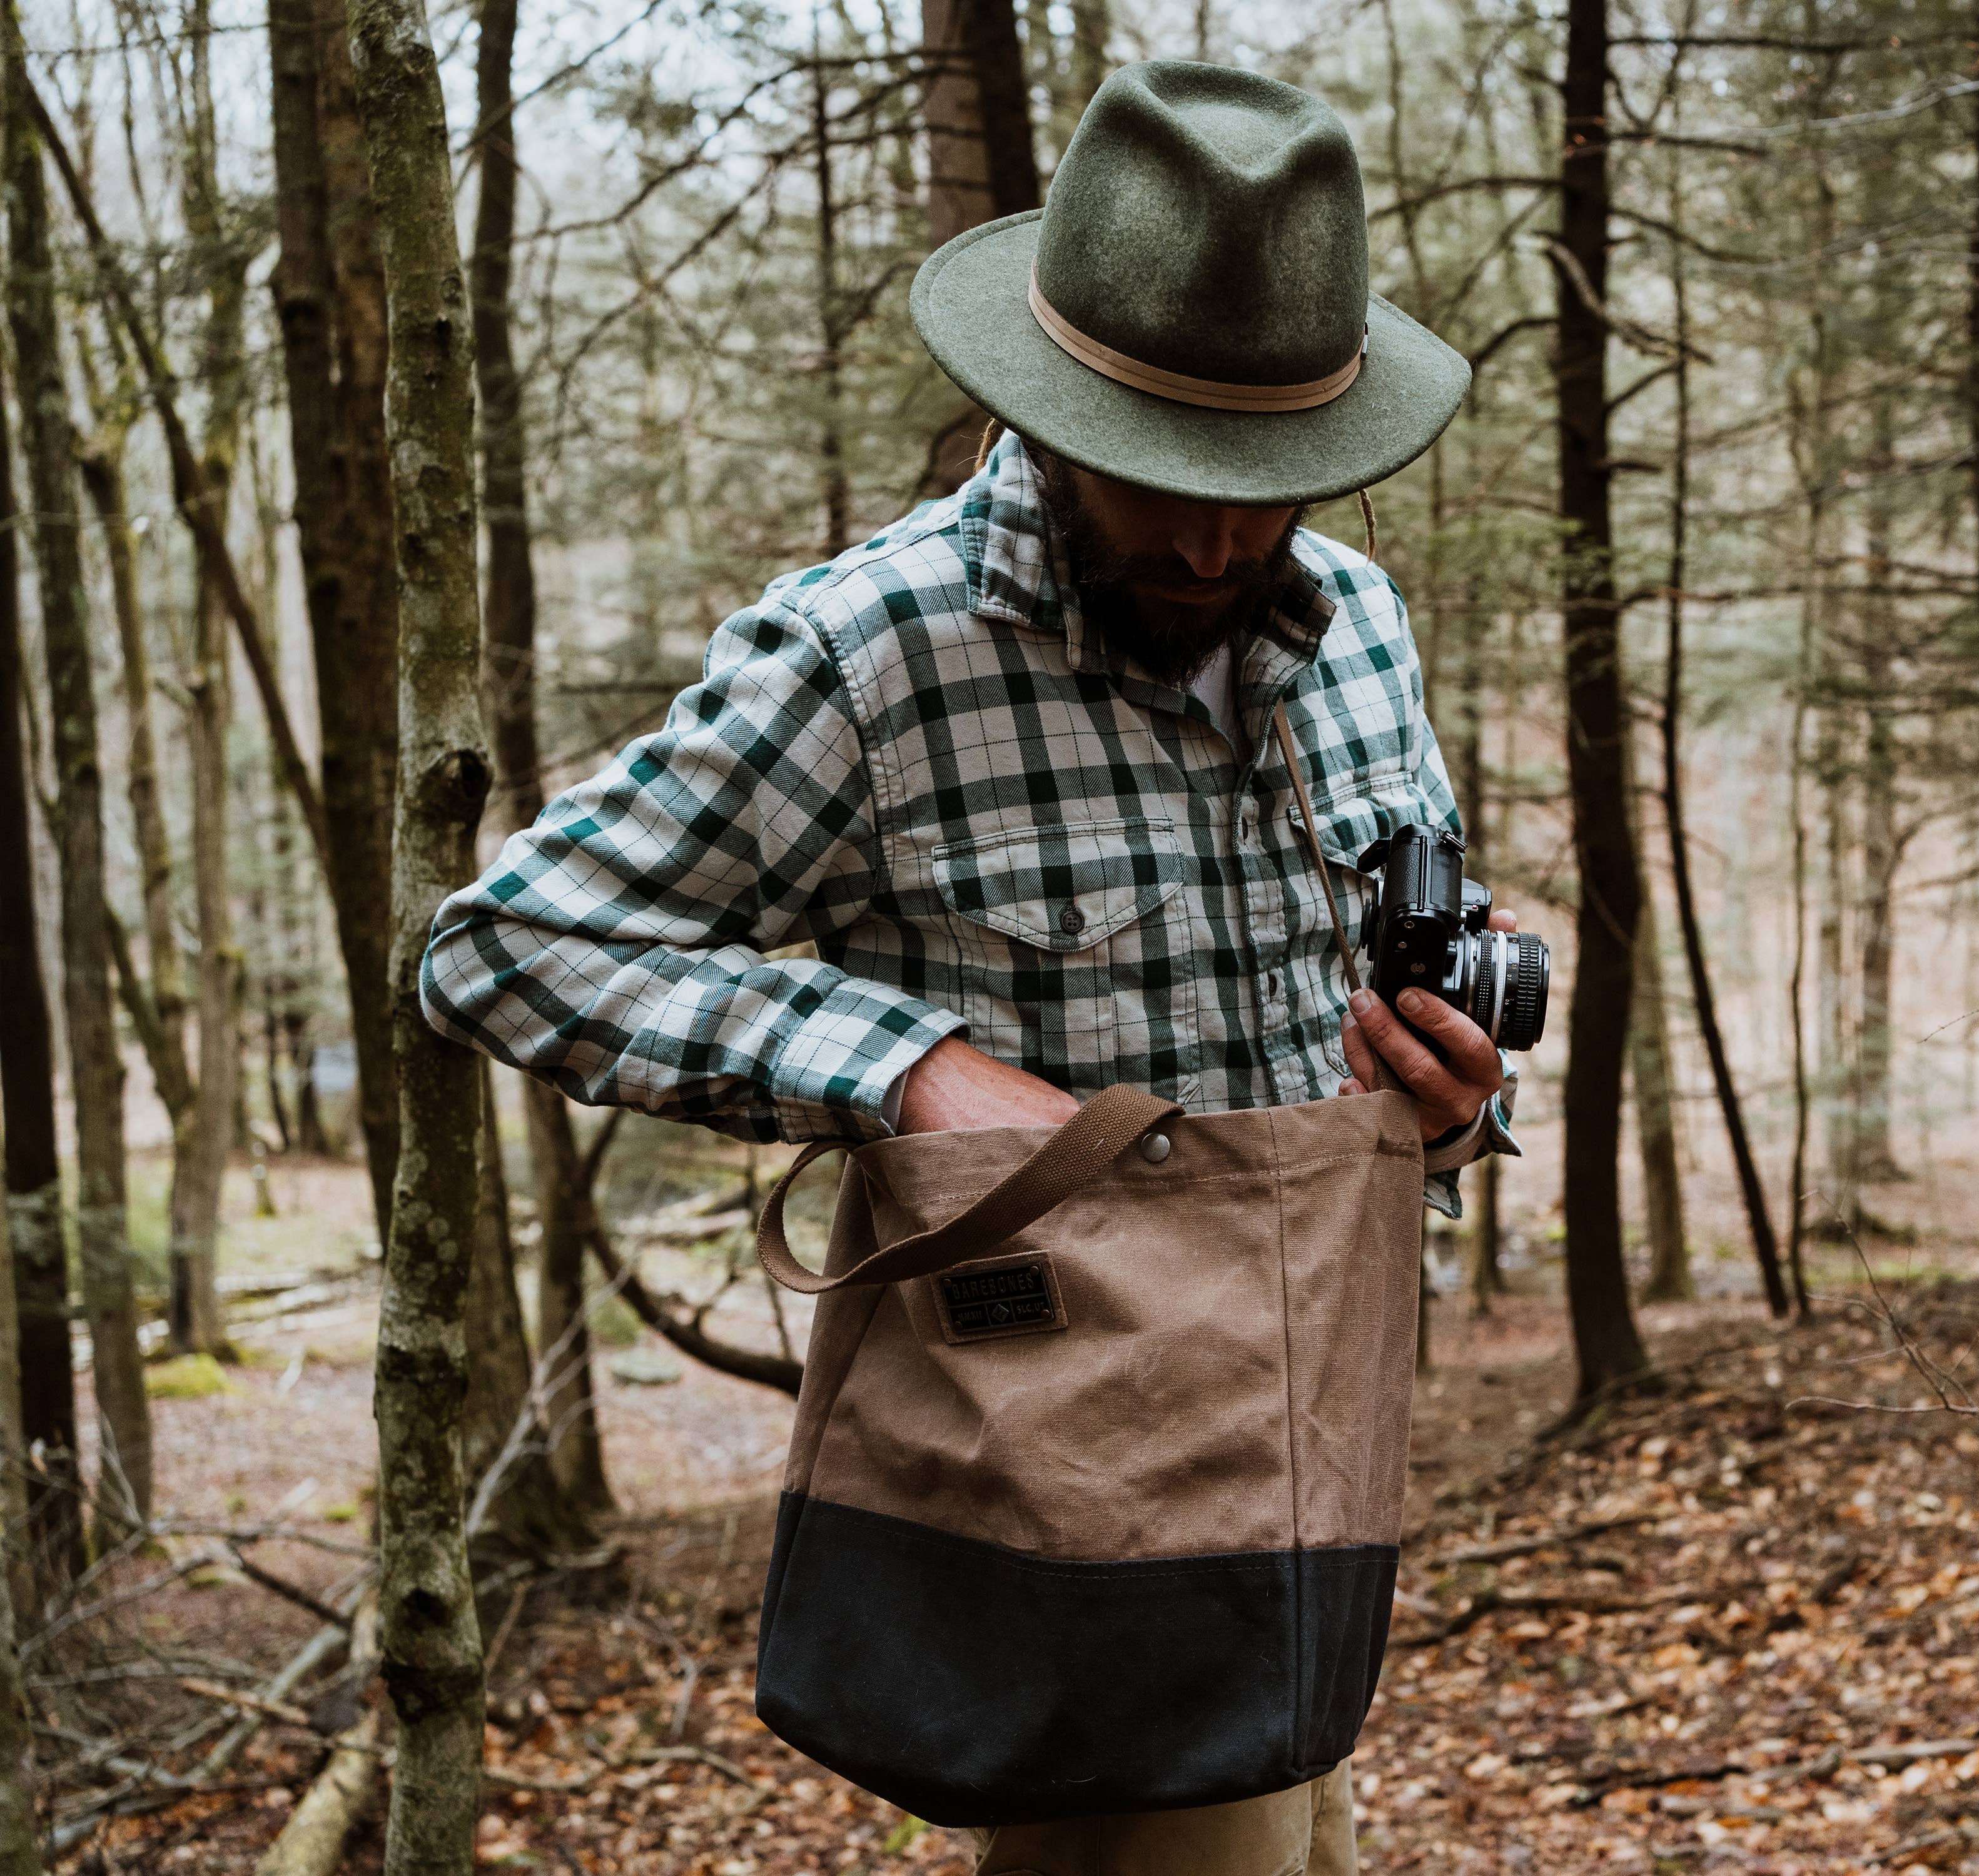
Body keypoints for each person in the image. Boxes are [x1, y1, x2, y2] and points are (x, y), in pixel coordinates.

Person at [421, 58, 1514, 1876]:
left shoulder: (1362, 631)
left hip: (1316, 1486)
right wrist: (905, 1067)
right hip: (1069, 1496)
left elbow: (1413, 1003)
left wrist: (1451, 1099)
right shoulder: (874, 654)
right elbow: (508, 944)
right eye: (1166, 477)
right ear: (1050, 408)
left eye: (1268, 487)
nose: (1215, 540)